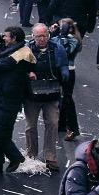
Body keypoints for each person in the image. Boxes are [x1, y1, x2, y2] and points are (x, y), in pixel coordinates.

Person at [0, 27, 33, 174]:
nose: (4, 38)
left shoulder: (22, 53)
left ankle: (15, 157)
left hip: (7, 98)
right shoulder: (13, 50)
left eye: (6, 36)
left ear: (14, 38)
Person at [23, 23, 70, 171]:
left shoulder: (57, 48)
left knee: (52, 124)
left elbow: (64, 65)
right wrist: (27, 73)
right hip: (32, 95)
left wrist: (64, 73)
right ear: (33, 36)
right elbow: (18, 68)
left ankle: (50, 157)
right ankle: (31, 155)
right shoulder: (26, 49)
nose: (42, 39)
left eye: (45, 35)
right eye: (39, 36)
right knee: (31, 126)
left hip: (51, 93)